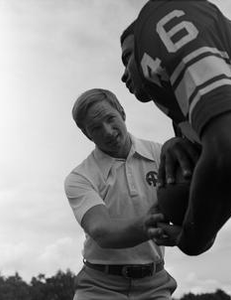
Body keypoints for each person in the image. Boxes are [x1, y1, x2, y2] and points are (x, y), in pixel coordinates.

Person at [120, 0, 231, 256]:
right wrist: (177, 213)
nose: (123, 74)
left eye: (127, 56)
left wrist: (192, 238)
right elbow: (218, 195)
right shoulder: (185, 119)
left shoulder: (160, 24)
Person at [64, 88, 177, 300]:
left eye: (110, 118)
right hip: (98, 287)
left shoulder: (162, 154)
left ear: (122, 112)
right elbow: (103, 233)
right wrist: (158, 226)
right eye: (96, 128)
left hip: (155, 285)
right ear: (87, 134)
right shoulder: (79, 177)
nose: (107, 131)